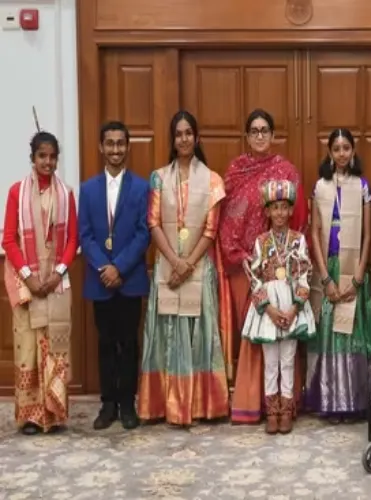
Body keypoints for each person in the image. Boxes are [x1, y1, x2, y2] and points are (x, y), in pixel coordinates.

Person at [137, 110, 229, 426]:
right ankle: (164, 404)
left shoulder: (214, 181)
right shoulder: (158, 178)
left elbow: (211, 230)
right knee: (168, 333)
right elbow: (152, 223)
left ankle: (202, 405)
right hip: (166, 267)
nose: (184, 139)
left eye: (189, 132)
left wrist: (188, 263)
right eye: (179, 134)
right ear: (173, 140)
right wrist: (175, 262)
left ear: (197, 137)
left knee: (198, 333)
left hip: (199, 268)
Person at [220, 109, 309, 425]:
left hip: (283, 274)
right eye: (254, 130)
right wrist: (242, 256)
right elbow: (226, 217)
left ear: (272, 135)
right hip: (245, 265)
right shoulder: (236, 170)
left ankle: (285, 406)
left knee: (284, 348)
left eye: (265, 130)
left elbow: (299, 219)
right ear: (247, 136)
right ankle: (254, 405)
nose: (259, 135)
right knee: (256, 335)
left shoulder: (284, 170)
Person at [2, 131, 78, 435]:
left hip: (56, 284)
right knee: (29, 350)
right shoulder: (15, 193)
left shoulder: (66, 193)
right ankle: (32, 416)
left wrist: (58, 272)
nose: (47, 162)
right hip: (28, 285)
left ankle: (54, 412)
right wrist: (29, 276)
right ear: (32, 158)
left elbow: (72, 239)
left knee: (55, 348)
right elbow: (8, 239)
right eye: (42, 156)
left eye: (52, 156)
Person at [78, 121, 151, 430]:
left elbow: (143, 233)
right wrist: (104, 268)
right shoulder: (87, 189)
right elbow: (85, 235)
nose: (116, 149)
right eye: (110, 143)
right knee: (106, 342)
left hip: (129, 278)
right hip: (100, 280)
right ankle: (108, 404)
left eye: (121, 143)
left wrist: (119, 267)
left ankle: (127, 403)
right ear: (101, 147)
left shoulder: (141, 187)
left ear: (128, 147)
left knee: (129, 342)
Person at [307, 128, 371, 423]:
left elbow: (368, 235)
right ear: (330, 153)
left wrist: (358, 277)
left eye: (347, 147)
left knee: (351, 337)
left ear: (353, 150)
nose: (342, 153)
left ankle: (354, 401)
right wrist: (325, 278)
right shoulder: (319, 187)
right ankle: (330, 400)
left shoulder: (361, 186)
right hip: (328, 268)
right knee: (329, 337)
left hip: (354, 268)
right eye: (337, 148)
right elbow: (314, 232)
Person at [241, 180, 316, 434]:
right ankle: (271, 411)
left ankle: (287, 410)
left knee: (288, 360)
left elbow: (305, 273)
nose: (280, 213)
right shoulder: (261, 242)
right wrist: (270, 310)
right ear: (267, 212)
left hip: (291, 304)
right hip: (270, 308)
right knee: (270, 361)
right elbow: (254, 278)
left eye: (285, 208)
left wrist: (295, 309)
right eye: (275, 208)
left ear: (291, 210)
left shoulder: (299, 240)